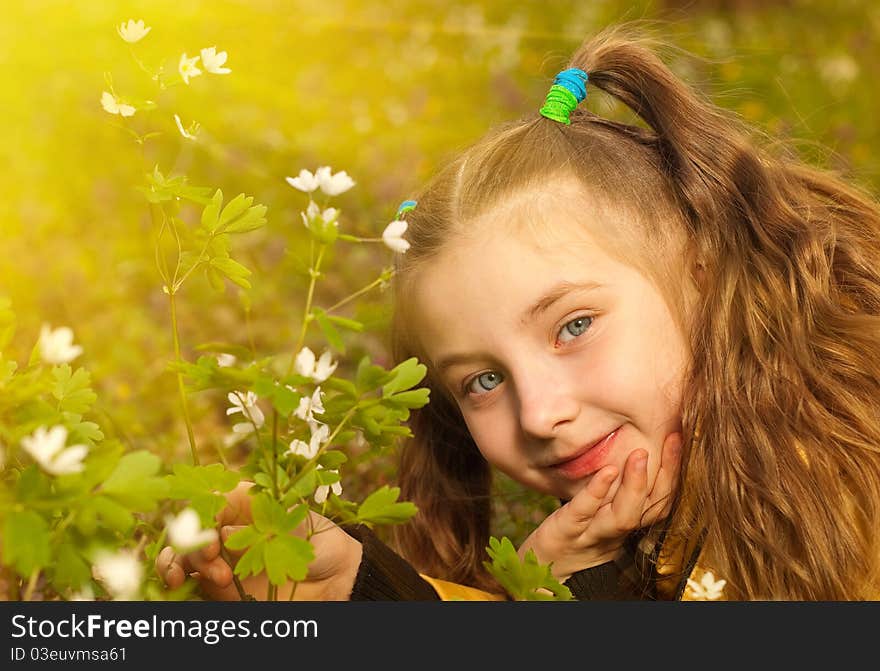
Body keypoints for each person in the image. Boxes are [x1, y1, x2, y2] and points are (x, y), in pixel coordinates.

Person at [158, 22, 880, 601]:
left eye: (573, 325)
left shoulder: (848, 478)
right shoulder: (636, 518)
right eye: (481, 381)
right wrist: (364, 588)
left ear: (702, 273)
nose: (538, 414)